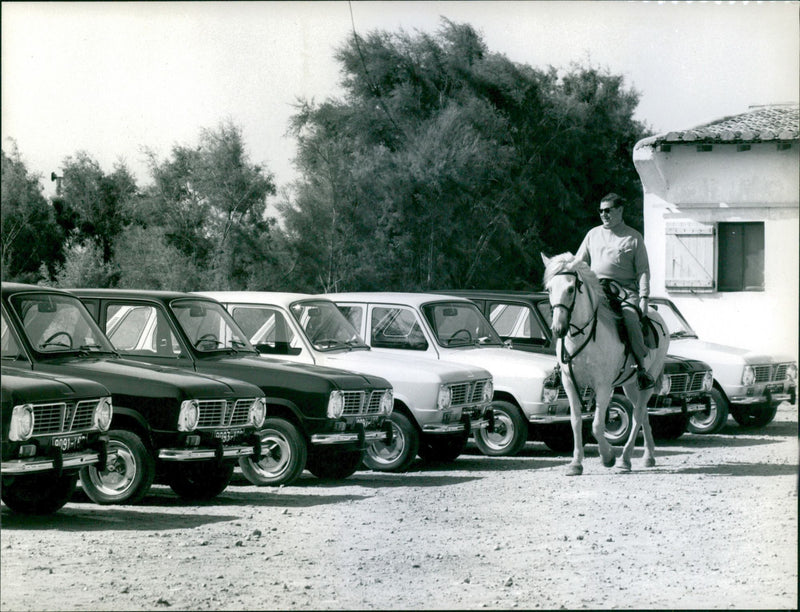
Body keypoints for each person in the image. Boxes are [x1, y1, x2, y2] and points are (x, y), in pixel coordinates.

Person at [575, 192, 655, 389]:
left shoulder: (634, 237)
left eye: (608, 210)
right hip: (597, 290)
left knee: (629, 317)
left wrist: (644, 297)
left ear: (620, 210)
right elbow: (578, 263)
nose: (604, 214)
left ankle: (641, 367)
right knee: (570, 314)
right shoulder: (592, 235)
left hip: (625, 291)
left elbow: (643, 271)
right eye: (601, 211)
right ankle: (560, 366)